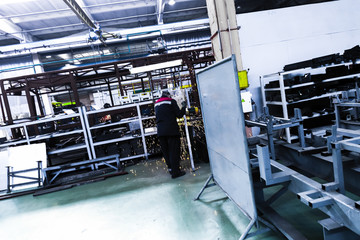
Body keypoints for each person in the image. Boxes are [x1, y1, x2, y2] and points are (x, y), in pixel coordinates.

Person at [155, 90, 187, 178]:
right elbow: (179, 115)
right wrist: (184, 107)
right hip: (171, 131)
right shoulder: (171, 101)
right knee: (174, 151)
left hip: (161, 132)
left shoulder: (156, 103)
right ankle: (176, 173)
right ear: (169, 95)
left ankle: (170, 169)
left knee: (166, 152)